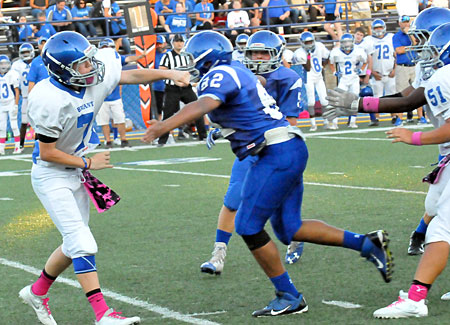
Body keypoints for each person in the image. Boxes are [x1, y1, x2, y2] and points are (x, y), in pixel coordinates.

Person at [143, 30, 393, 317]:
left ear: (205, 55)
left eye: (191, 56)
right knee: (289, 229)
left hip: (275, 152)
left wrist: (163, 126)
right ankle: (367, 243)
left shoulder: (222, 72)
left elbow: (205, 104)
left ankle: (289, 295)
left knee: (248, 225)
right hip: (284, 148)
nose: (187, 63)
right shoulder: (236, 71)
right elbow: (251, 91)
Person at [19, 31, 189, 325]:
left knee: (74, 245)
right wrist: (88, 161)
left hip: (76, 171)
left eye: (90, 60)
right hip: (52, 175)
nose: (93, 67)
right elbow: (46, 153)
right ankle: (103, 314)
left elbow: (130, 75)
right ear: (63, 70)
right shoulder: (47, 98)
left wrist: (169, 73)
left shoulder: (92, 76)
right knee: (82, 243)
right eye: (84, 64)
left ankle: (36, 292)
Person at [324, 20, 450, 320]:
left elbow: (418, 105)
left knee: (442, 229)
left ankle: (416, 298)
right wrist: (359, 104)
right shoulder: (438, 74)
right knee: (433, 206)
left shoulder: (444, 77)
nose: (418, 48)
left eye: (427, 42)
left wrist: (414, 137)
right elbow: (410, 98)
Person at [200, 30, 304, 275]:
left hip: (279, 148)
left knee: (280, 203)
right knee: (233, 199)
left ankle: (295, 238)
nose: (257, 57)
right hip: (250, 149)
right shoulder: (238, 72)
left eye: (263, 52)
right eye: (253, 52)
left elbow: (290, 122)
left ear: (276, 55)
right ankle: (218, 255)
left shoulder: (287, 78)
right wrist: (224, 130)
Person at [158, 34, 206, 145]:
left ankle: (203, 136)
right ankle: (162, 140)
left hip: (186, 88)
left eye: (181, 41)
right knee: (168, 114)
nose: (179, 43)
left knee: (198, 109)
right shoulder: (168, 56)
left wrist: (192, 82)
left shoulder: (188, 56)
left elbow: (194, 71)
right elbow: (162, 70)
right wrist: (173, 77)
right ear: (172, 43)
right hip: (172, 88)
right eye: (177, 41)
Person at [96, 38, 144, 148]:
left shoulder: (115, 58)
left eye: (106, 47)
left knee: (120, 119)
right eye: (103, 48)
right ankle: (108, 141)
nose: (105, 50)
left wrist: (141, 56)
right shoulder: (97, 60)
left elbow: (128, 58)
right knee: (104, 121)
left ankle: (123, 139)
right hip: (102, 96)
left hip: (114, 95)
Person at [329, 33, 367, 129]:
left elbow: (365, 61)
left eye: (348, 42)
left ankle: (352, 122)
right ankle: (334, 122)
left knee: (355, 101)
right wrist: (334, 72)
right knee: (338, 100)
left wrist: (361, 69)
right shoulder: (336, 52)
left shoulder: (358, 51)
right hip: (343, 79)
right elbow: (331, 63)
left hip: (354, 79)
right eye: (344, 42)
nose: (346, 45)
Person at [393, 15, 426, 125]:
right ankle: (399, 118)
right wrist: (412, 47)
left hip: (414, 65)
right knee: (401, 93)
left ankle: (421, 117)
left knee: (418, 92)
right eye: (404, 22)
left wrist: (410, 35)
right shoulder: (397, 36)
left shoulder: (414, 34)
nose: (406, 24)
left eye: (407, 22)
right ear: (399, 23)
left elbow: (417, 44)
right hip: (402, 67)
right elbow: (399, 50)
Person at [294, 31, 329, 131]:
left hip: (318, 76)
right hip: (308, 77)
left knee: (324, 100)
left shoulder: (320, 46)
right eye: (307, 43)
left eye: (310, 42)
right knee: (311, 101)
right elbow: (308, 68)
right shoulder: (299, 53)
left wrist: (323, 66)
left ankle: (326, 121)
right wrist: (309, 55)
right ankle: (313, 124)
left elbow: (327, 57)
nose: (309, 44)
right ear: (302, 43)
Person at [365, 19, 397, 125]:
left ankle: (394, 116)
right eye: (376, 28)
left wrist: (394, 69)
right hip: (377, 74)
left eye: (380, 27)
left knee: (392, 96)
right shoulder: (368, 40)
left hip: (390, 73)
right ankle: (375, 118)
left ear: (384, 28)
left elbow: (396, 55)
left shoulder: (391, 37)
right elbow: (366, 59)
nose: (378, 30)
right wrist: (372, 72)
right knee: (376, 97)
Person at [11, 43, 34, 151]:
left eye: (27, 52)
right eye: (23, 53)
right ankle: (21, 144)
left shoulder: (36, 63)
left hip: (37, 96)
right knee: (24, 122)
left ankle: (38, 143)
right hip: (25, 96)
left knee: (39, 121)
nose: (25, 54)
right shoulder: (16, 65)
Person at [354, 26, 377, 125]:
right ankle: (351, 120)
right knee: (352, 97)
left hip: (364, 74)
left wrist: (368, 74)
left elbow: (370, 61)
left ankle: (373, 118)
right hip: (353, 75)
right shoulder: (350, 44)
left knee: (367, 95)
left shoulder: (366, 45)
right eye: (358, 34)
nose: (359, 37)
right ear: (354, 34)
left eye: (361, 35)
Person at [0, 55, 20, 155]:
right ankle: (1, 147)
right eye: (1, 63)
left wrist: (16, 105)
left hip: (11, 102)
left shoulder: (12, 74)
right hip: (1, 104)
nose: (4, 66)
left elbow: (17, 91)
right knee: (2, 126)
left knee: (14, 125)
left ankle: (17, 146)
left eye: (5, 63)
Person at [153, 35, 167, 121]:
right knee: (159, 111)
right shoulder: (153, 55)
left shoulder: (170, 54)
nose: (159, 46)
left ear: (165, 43)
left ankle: (173, 130)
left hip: (170, 86)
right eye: (157, 44)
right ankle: (162, 131)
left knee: (172, 110)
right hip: (158, 87)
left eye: (160, 44)